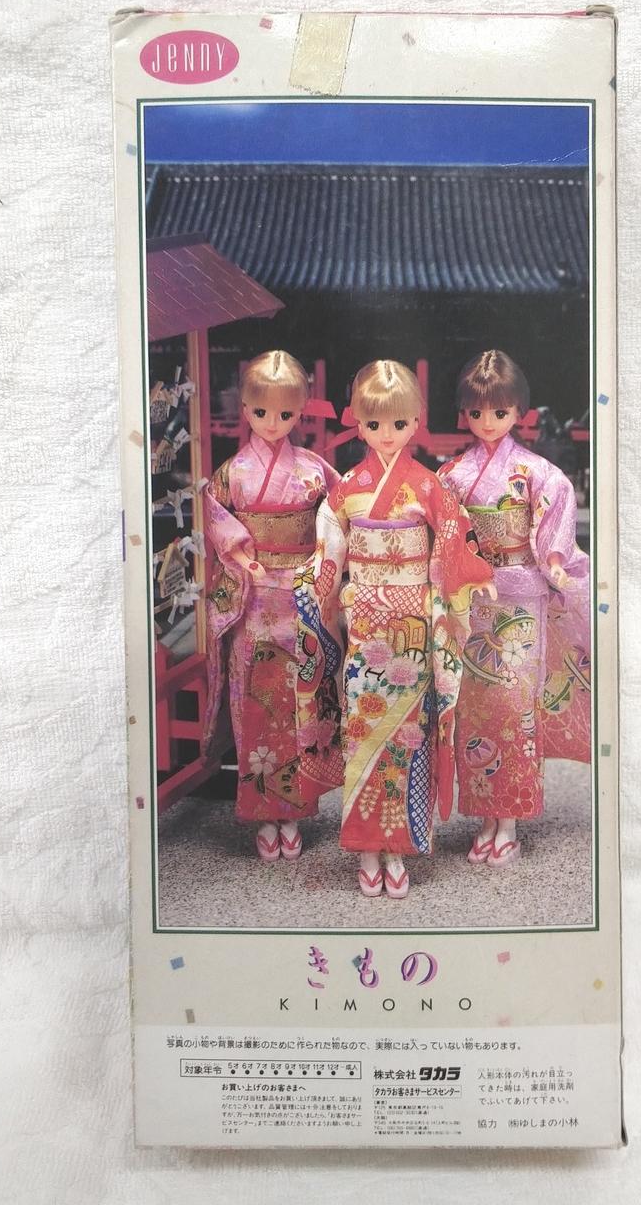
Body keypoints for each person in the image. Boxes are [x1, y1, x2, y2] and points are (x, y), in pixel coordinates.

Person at [295, 360, 494, 898]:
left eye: (399, 424)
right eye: (375, 424)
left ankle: (399, 846)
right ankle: (366, 847)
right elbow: (329, 549)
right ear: (358, 424)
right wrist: (317, 585)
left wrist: (462, 587)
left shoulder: (429, 486)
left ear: (416, 422)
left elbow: (452, 544)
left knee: (410, 734)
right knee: (363, 730)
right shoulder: (346, 490)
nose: (387, 434)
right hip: (365, 623)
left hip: (412, 623)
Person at [438, 350, 591, 867]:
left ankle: (510, 820)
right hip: (472, 601)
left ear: (518, 412)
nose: (488, 422)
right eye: (477, 412)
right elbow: (446, 538)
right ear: (465, 412)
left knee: (515, 709)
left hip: (521, 595)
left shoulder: (537, 473)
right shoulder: (451, 476)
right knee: (475, 710)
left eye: (499, 412)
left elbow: (554, 524)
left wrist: (554, 561)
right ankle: (485, 816)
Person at [201, 351, 342, 862]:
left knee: (301, 700)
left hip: (303, 594)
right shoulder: (233, 473)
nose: (273, 422)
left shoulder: (315, 471)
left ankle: (295, 811)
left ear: (300, 411)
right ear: (245, 409)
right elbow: (215, 515)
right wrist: (241, 554)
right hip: (254, 596)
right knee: (256, 704)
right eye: (261, 412)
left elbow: (338, 517)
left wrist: (323, 565)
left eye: (285, 413)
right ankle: (265, 814)